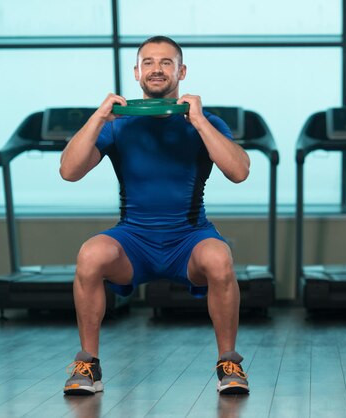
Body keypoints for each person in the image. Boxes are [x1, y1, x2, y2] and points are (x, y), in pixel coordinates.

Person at [59, 36, 251, 396]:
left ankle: (229, 364)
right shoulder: (117, 125)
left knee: (220, 257)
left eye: (166, 62)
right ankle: (88, 364)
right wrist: (99, 117)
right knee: (90, 254)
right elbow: (69, 171)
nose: (157, 69)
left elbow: (239, 172)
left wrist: (198, 121)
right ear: (136, 72)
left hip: (189, 237)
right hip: (134, 240)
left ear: (182, 71)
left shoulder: (207, 122)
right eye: (148, 62)